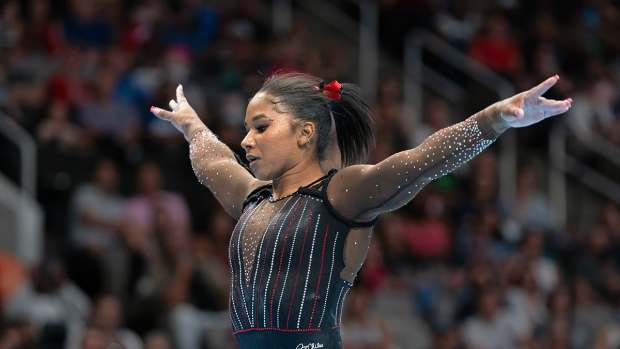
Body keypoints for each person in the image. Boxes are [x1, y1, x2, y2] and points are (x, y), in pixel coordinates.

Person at [150, 72, 572, 348]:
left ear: (305, 133)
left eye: (260, 127)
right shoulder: (253, 197)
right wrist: (190, 124)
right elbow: (213, 163)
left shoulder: (341, 193)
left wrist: (495, 118)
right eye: (246, 129)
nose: (246, 140)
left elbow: (423, 160)